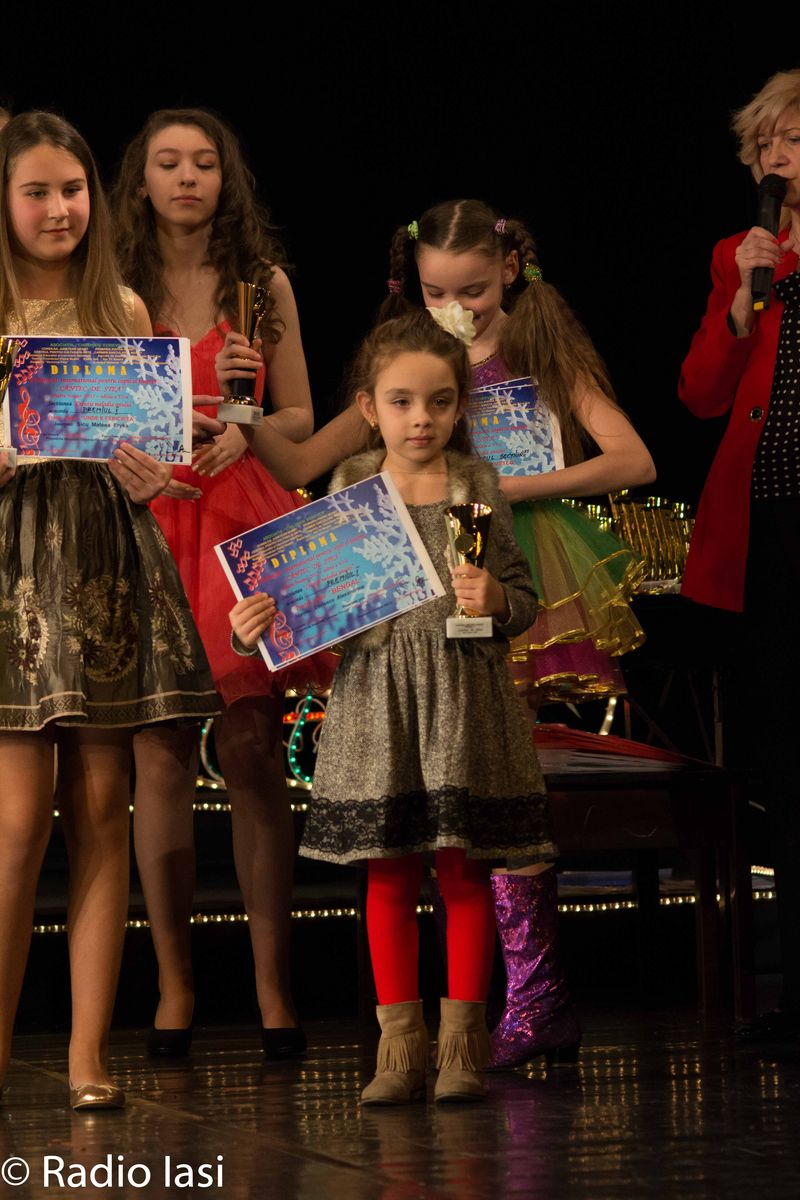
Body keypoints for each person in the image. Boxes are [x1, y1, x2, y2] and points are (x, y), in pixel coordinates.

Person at [218, 198, 655, 1068]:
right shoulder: (405, 374)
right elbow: (304, 466)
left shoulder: (536, 353)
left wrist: (498, 490)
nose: (457, 308)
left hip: (507, 565)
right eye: (436, 293)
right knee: (433, 816)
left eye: (474, 291)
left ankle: (528, 1001)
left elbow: (634, 459)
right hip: (411, 604)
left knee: (501, 796)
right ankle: (443, 1026)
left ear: (510, 272)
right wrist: (239, 405)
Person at [231, 307, 557, 1103]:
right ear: (369, 408)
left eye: (439, 402)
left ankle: (461, 1046)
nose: (422, 419)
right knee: (388, 874)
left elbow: (523, 598)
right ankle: (399, 1050)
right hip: (378, 701)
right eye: (402, 402)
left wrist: (498, 600)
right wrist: (260, 625)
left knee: (462, 870)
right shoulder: (350, 487)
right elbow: (315, 603)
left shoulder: (477, 487)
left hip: (462, 697)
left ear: (459, 406)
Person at [0, 112, 218, 1110]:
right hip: (13, 567)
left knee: (99, 808)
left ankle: (88, 1055)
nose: (60, 209)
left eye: (73, 190)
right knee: (15, 823)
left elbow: (147, 450)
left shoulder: (118, 304)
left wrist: (149, 473)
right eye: (38, 192)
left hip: (97, 558)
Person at [112, 108, 333, 1059]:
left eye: (203, 162)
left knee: (251, 747)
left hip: (239, 512)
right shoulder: (113, 280)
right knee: (159, 751)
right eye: (168, 163)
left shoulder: (262, 282)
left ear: (224, 178)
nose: (187, 178)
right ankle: (175, 988)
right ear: (142, 179)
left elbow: (302, 418)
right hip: (151, 514)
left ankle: (273, 989)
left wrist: (249, 428)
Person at [679, 70, 800, 1042]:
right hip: (767, 533)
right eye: (763, 144)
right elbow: (699, 394)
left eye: (791, 140)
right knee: (784, 761)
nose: (774, 158)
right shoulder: (739, 256)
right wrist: (738, 307)